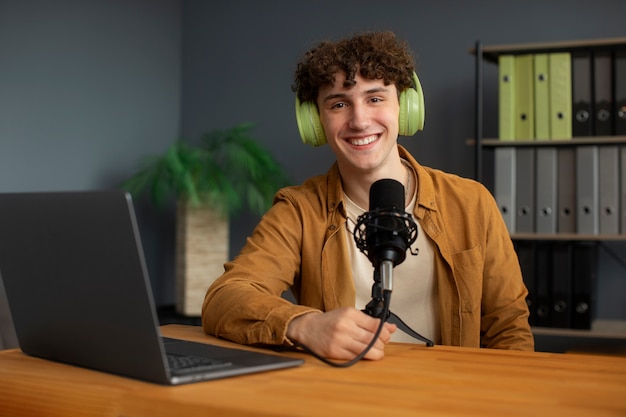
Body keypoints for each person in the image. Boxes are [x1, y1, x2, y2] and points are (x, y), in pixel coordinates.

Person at [202, 31, 534, 361]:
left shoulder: (471, 202)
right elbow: (225, 297)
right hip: (347, 398)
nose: (359, 121)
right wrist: (303, 325)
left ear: (406, 107)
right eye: (339, 104)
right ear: (316, 122)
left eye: (375, 98)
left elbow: (509, 329)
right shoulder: (299, 210)